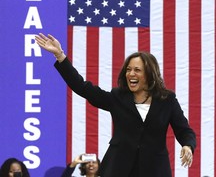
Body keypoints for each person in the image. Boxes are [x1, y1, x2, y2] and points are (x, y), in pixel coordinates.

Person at [35, 33, 197, 177]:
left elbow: (184, 130)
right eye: (128, 69)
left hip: (154, 169)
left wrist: (187, 146)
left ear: (149, 74)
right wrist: (60, 56)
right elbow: (82, 87)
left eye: (137, 70)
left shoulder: (167, 100)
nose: (131, 74)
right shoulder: (117, 97)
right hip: (118, 168)